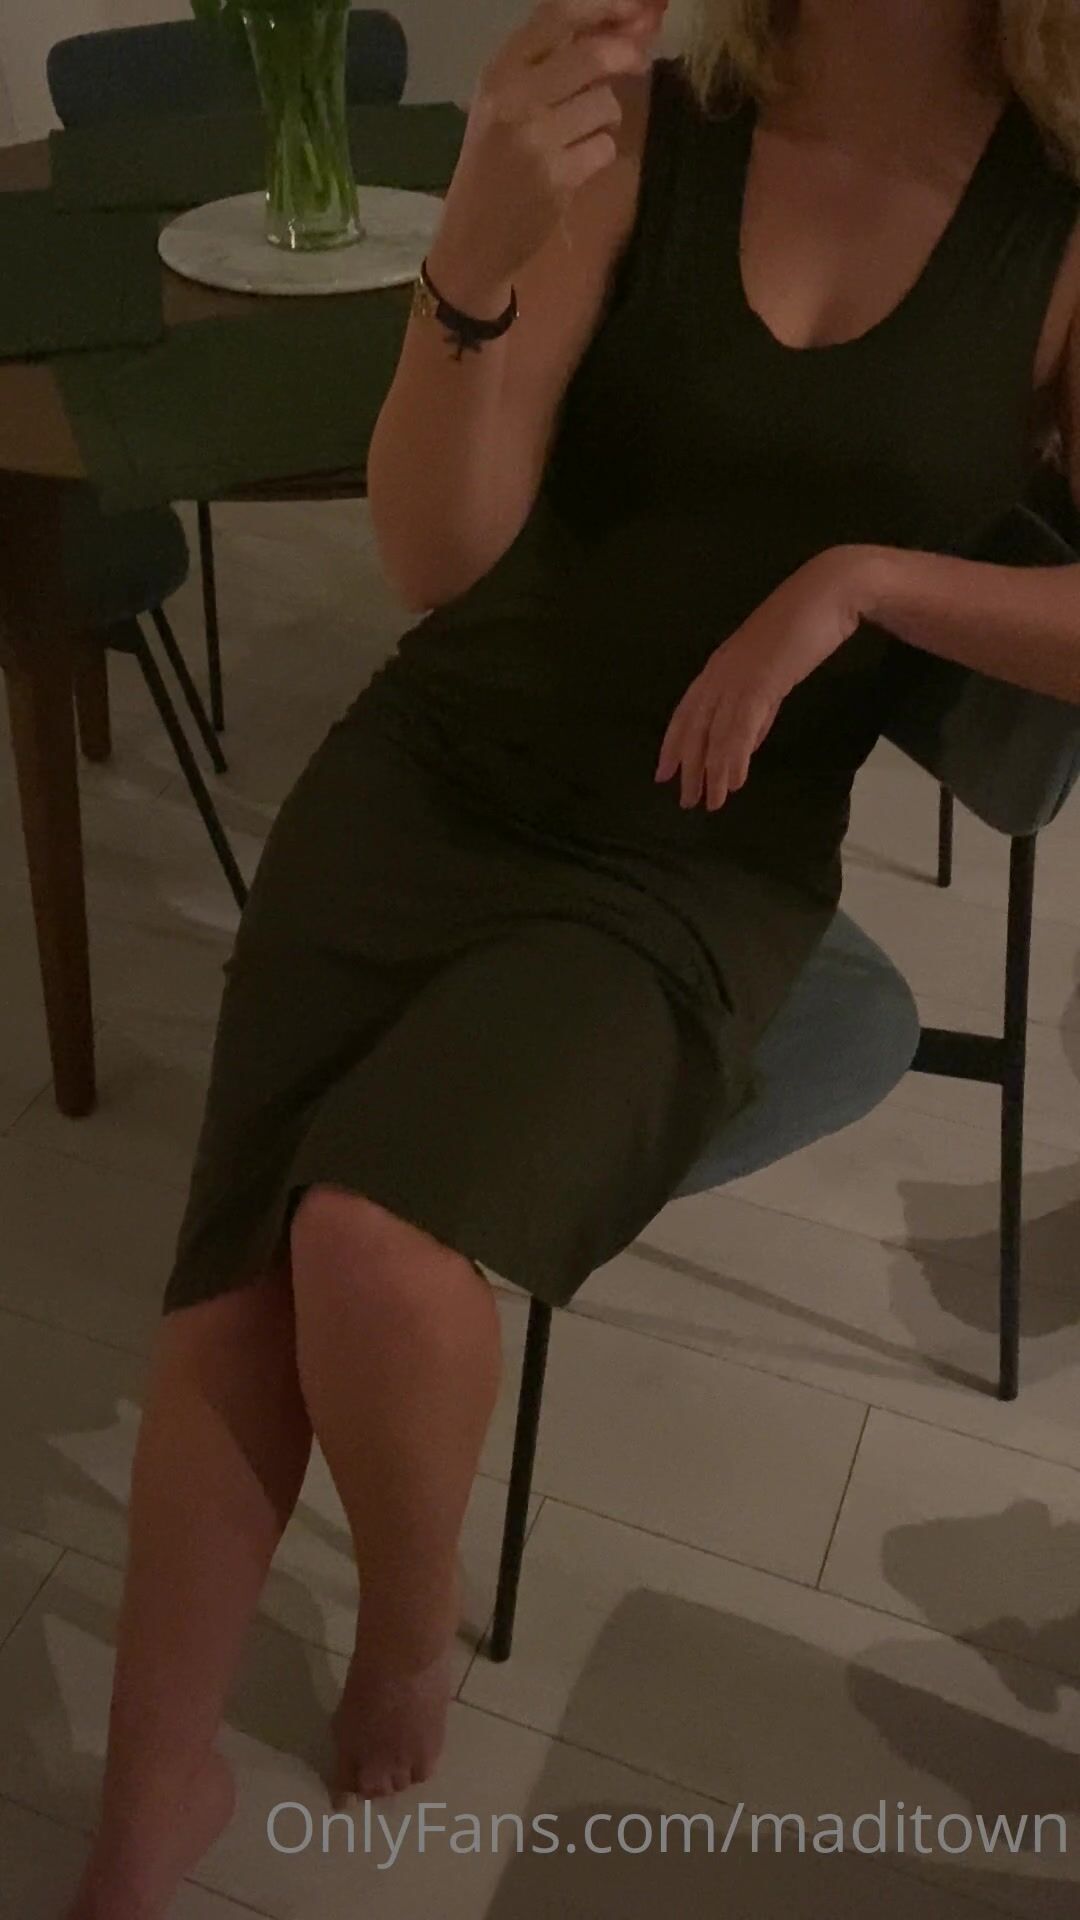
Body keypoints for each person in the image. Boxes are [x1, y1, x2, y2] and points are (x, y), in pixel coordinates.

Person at [69, 1, 1080, 1913]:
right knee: (237, 1275)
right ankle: (142, 1819)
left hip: (698, 849)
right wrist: (470, 253)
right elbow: (439, 562)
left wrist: (861, 581)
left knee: (367, 1244)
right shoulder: (656, 127)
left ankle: (408, 1624)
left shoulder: (1059, 218)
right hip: (438, 764)